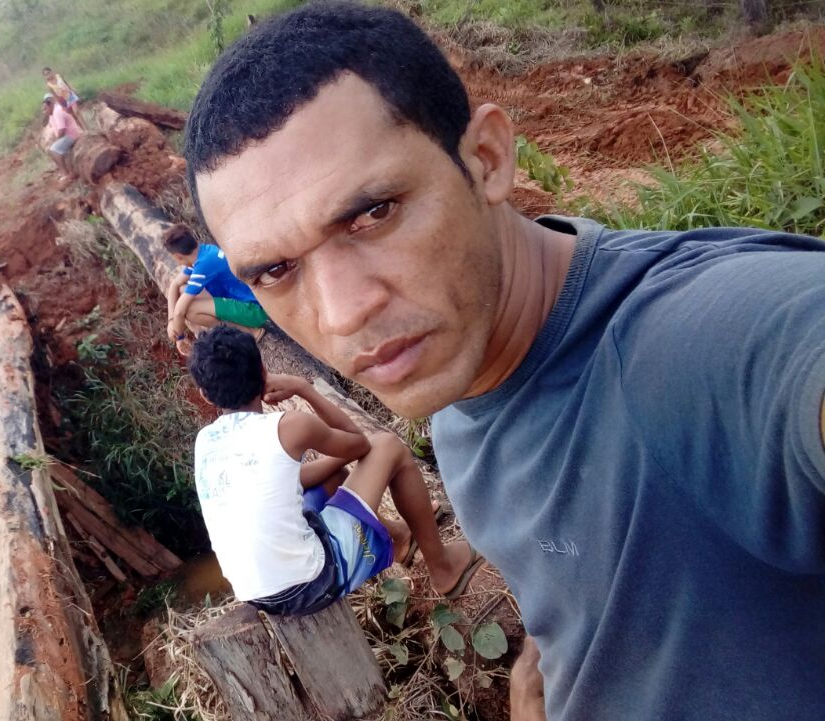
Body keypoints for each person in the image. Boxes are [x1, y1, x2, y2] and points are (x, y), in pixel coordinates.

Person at [182, 3, 825, 720]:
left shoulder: (695, 344)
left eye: (373, 214)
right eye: (275, 270)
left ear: (486, 159)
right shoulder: (462, 379)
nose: (341, 313)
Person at [188, 326, 483, 615]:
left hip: (262, 597)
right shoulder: (288, 427)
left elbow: (295, 481)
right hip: (313, 582)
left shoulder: (205, 441)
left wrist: (336, 464)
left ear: (205, 395)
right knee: (388, 445)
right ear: (264, 373)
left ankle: (400, 538)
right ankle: (443, 569)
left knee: (324, 478)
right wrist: (304, 389)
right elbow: (360, 444)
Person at [164, 226, 268, 356]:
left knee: (190, 310)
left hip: (254, 309)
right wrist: (170, 321)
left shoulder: (204, 265)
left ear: (178, 256)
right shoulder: (203, 253)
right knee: (182, 289)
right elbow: (175, 285)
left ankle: (248, 332)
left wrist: (178, 337)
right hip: (244, 300)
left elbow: (180, 312)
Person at [41, 94, 83, 180]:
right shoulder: (52, 114)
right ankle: (64, 171)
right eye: (43, 109)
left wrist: (56, 141)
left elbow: (62, 129)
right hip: (67, 135)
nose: (45, 111)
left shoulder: (57, 112)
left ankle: (66, 174)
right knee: (51, 149)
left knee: (54, 150)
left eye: (46, 108)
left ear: (51, 105)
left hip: (71, 134)